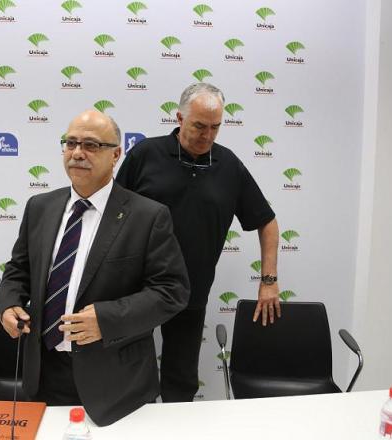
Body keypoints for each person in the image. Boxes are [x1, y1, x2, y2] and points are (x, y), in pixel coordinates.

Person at [0, 109, 190, 426]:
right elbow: (18, 270)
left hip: (116, 384)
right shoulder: (39, 207)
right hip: (42, 376)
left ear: (116, 154)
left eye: (90, 145)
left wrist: (106, 318)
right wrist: (9, 304)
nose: (77, 153)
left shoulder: (148, 216)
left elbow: (172, 292)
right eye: (70, 143)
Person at [116, 82, 281, 402]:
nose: (207, 135)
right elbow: (112, 217)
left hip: (189, 293)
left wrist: (269, 281)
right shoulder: (145, 155)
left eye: (216, 127)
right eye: (199, 126)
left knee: (180, 384)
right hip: (136, 289)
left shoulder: (229, 165)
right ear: (179, 117)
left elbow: (267, 222)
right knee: (130, 381)